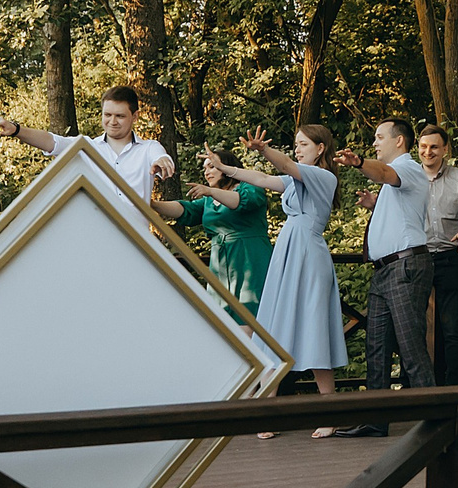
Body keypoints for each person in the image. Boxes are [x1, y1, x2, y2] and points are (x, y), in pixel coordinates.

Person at [216, 126, 345, 439]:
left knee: (314, 326)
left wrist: (263, 150)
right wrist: (226, 168)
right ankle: (267, 414)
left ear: (320, 149)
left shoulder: (323, 177)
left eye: (303, 144)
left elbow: (285, 165)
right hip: (287, 253)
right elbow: (262, 179)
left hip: (309, 256)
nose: (297, 148)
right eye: (296, 143)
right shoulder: (295, 181)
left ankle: (331, 413)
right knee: (273, 326)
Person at [332, 119, 434, 436]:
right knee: (376, 348)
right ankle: (376, 420)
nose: (375, 143)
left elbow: (386, 174)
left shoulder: (409, 168)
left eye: (379, 137)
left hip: (405, 268)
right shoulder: (394, 183)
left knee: (410, 346)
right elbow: (403, 210)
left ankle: (436, 417)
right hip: (384, 271)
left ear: (399, 141)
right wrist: (376, 204)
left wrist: (359, 162)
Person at [0, 86, 176, 202]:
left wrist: (163, 161)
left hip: (137, 242)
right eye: (107, 115)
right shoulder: (87, 146)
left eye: (120, 116)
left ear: (134, 116)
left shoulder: (149, 148)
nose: (112, 121)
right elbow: (52, 142)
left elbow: (161, 156)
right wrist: (16, 129)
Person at [417, 125, 458, 386]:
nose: (428, 152)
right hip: (417, 258)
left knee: (453, 329)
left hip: (448, 256)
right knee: (413, 328)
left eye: (434, 147)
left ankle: (454, 389)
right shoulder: (409, 176)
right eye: (423, 147)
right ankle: (415, 389)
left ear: (445, 149)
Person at [171, 151, 272, 314]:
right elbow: (186, 210)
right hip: (220, 265)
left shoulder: (250, 187)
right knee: (220, 319)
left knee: (249, 315)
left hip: (249, 259)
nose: (206, 172)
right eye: (204, 168)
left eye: (212, 166)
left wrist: (211, 191)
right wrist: (151, 204)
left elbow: (242, 201)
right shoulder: (209, 199)